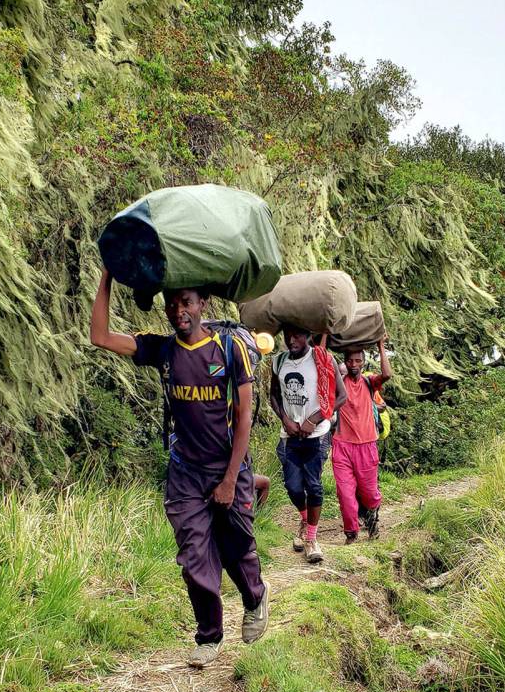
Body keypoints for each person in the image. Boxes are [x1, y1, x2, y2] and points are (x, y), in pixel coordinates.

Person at [89, 270, 269, 669]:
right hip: (185, 471)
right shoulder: (163, 350)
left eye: (186, 301)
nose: (178, 310)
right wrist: (107, 276)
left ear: (203, 303)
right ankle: (209, 636)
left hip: (229, 468)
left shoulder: (228, 350)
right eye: (172, 303)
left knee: (236, 547)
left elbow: (243, 420)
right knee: (194, 556)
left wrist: (228, 480)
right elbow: (100, 337)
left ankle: (255, 596)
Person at [270, 325, 347, 563]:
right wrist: (285, 419)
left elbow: (340, 396)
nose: (292, 339)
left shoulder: (322, 359)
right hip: (290, 436)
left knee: (313, 486)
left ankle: (312, 539)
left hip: (317, 434)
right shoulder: (279, 361)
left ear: (309, 335)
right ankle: (304, 519)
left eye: (298, 334)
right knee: (293, 486)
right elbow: (273, 395)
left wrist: (314, 420)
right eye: (287, 334)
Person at [332, 338, 392, 543]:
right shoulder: (340, 383)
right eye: (350, 361)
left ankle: (372, 518)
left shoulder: (369, 382)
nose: (354, 365)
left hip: (367, 446)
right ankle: (351, 533)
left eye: (358, 361)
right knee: (345, 493)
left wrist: (381, 347)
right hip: (342, 446)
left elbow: (387, 375)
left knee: (368, 493)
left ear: (364, 363)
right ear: (345, 363)